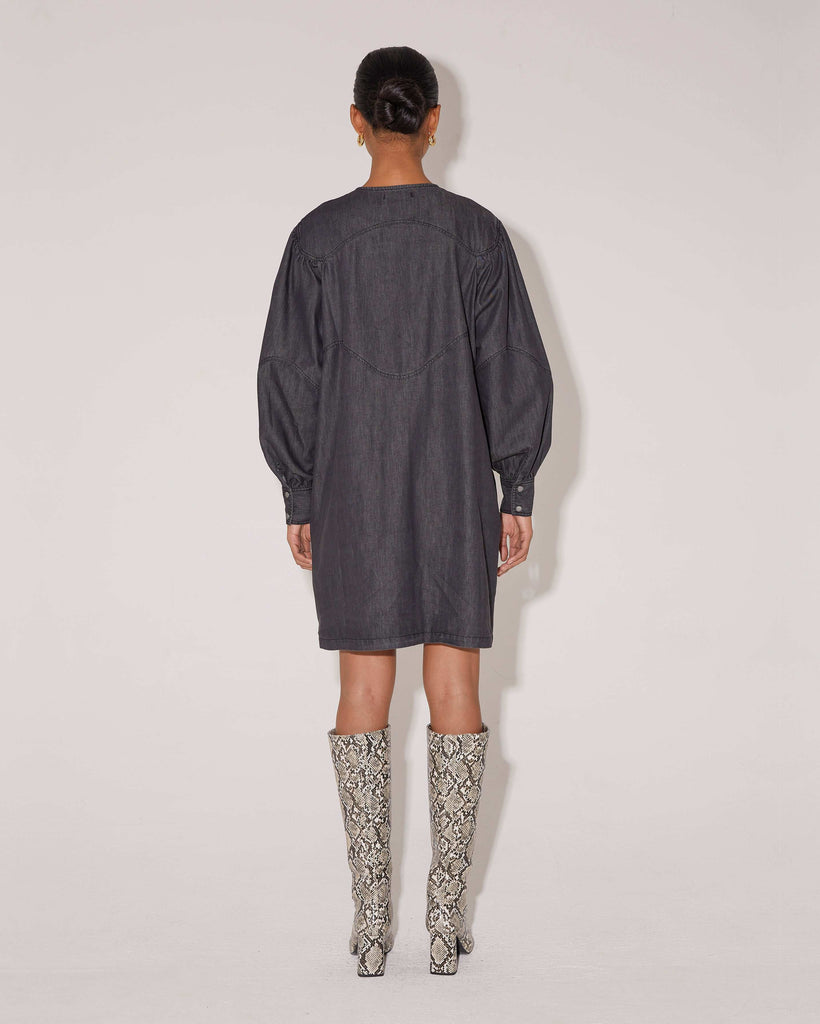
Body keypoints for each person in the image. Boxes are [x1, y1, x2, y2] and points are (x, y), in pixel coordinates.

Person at [256, 45, 554, 977]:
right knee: (457, 690)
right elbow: (514, 365)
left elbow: (289, 373)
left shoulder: (317, 238)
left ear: (356, 120)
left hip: (353, 486)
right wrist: (514, 487)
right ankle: (446, 920)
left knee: (361, 695)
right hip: (454, 484)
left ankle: (371, 922)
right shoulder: (476, 234)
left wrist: (301, 489)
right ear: (432, 121)